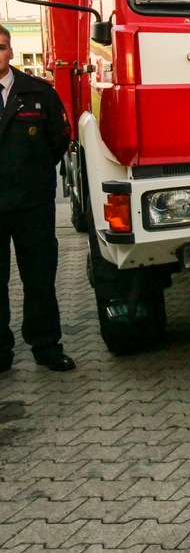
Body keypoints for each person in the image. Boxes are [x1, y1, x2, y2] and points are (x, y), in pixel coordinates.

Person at [0, 25, 74, 373]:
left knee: (40, 278)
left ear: (11, 52)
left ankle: (46, 346)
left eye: (0, 47)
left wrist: (33, 172)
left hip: (32, 204)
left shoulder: (39, 92)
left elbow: (58, 139)